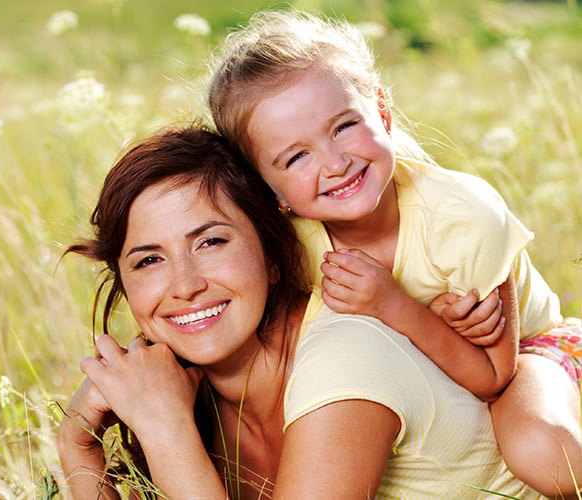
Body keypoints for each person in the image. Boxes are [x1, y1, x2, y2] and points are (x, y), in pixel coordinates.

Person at [56, 124, 544, 499]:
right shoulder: (191, 392)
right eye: (149, 260)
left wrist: (165, 431)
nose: (185, 286)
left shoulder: (345, 356)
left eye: (211, 241)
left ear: (273, 256)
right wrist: (78, 449)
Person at [208, 9, 582, 497]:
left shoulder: (462, 216)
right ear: (269, 189)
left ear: (381, 112)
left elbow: (492, 377)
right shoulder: (290, 243)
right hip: (429, 375)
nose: (335, 162)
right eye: (296, 157)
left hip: (527, 354)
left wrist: (394, 305)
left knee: (539, 451)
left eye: (343, 126)